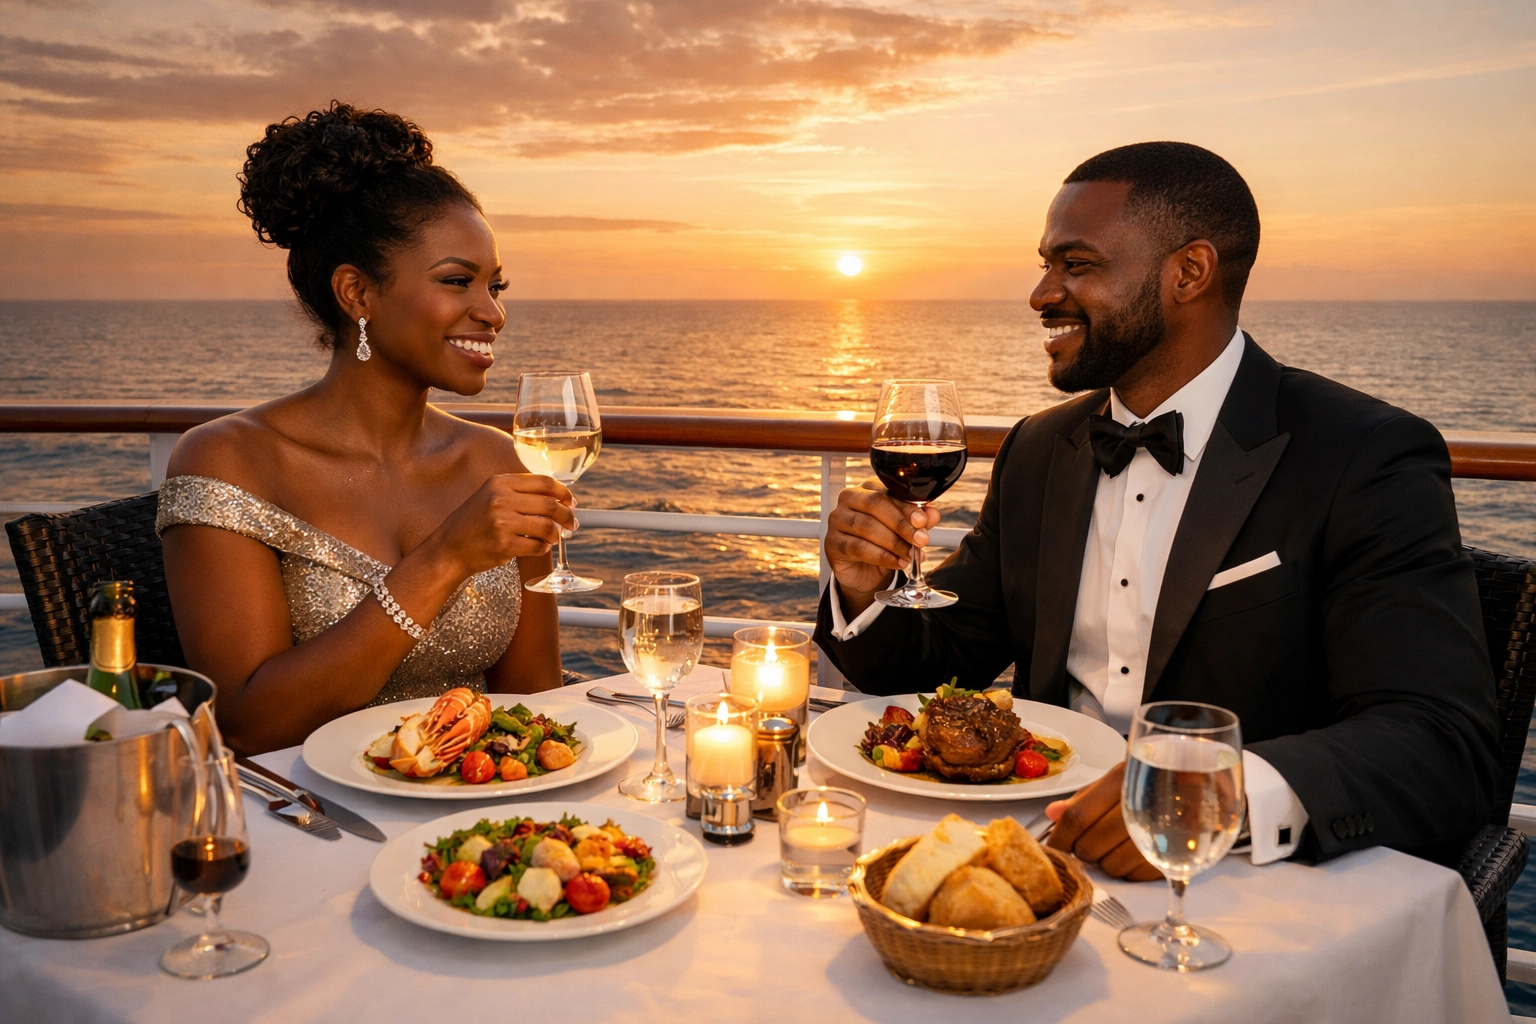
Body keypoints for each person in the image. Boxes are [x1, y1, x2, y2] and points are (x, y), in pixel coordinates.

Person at [814, 142, 1500, 873]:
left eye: (1075, 265)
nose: (1042, 292)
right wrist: (865, 587)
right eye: (1046, 263)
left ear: (1189, 273)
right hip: (1042, 859)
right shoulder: (1040, 449)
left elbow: (1441, 739)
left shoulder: (1363, 454)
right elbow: (947, 655)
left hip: (1246, 883)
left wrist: (1213, 796)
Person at [159, 102, 576, 755]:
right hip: (304, 825)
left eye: (495, 286)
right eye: (458, 281)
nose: (492, 313)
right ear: (357, 294)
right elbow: (246, 727)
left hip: (475, 826)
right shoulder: (227, 461)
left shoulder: (502, 463)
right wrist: (444, 558)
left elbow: (534, 705)